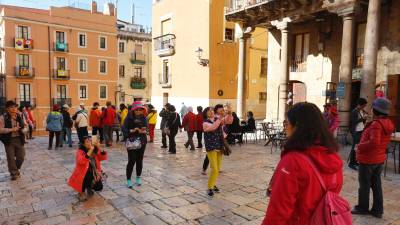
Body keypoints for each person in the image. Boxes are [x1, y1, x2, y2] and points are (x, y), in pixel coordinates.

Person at [262, 102, 343, 225]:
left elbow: (278, 211)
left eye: (287, 123)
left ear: (297, 127)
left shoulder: (293, 161)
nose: (285, 128)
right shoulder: (333, 156)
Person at [351, 98, 394, 219]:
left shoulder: (377, 124)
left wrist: (359, 146)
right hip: (378, 159)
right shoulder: (387, 122)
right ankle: (377, 210)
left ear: (375, 110)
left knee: (364, 185)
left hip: (369, 159)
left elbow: (374, 142)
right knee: (376, 185)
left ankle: (362, 208)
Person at [68, 136, 107, 201]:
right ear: (83, 144)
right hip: (82, 174)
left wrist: (100, 148)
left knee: (99, 187)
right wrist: (89, 152)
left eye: (90, 141)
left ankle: (89, 188)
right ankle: (81, 192)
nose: (89, 143)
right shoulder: (80, 152)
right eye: (87, 142)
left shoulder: (94, 150)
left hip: (94, 173)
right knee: (86, 176)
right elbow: (80, 161)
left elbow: (102, 158)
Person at [0, 101, 27, 180]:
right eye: (11, 107)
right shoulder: (2, 117)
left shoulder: (20, 115)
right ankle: (14, 173)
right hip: (8, 140)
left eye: (15, 107)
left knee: (21, 157)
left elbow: (25, 126)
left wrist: (23, 130)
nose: (14, 109)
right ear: (7, 109)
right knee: (11, 157)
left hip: (19, 138)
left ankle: (16, 169)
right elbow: (0, 130)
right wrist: (12, 129)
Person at [123, 102, 148, 188]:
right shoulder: (128, 118)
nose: (138, 111)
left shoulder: (143, 118)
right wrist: (132, 131)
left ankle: (138, 177)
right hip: (131, 141)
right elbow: (124, 129)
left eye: (140, 109)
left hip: (142, 141)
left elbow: (145, 129)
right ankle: (129, 179)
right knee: (132, 160)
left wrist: (141, 130)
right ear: (133, 110)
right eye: (137, 109)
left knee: (139, 160)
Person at [348, 98, 368, 170]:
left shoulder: (361, 111)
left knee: (358, 147)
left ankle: (355, 161)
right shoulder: (354, 112)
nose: (364, 107)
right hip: (356, 131)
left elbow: (361, 121)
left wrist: (365, 118)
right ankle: (351, 163)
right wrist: (363, 119)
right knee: (355, 147)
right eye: (364, 105)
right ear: (360, 104)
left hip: (361, 130)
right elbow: (354, 122)